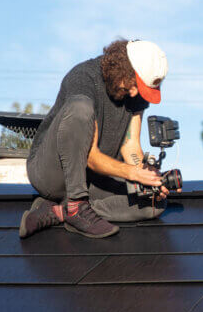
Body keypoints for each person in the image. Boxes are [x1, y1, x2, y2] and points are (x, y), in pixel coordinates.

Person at [18, 39, 177, 239]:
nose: (135, 93)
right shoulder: (83, 78)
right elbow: (91, 157)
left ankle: (61, 212)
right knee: (80, 108)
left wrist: (147, 178)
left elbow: (131, 146)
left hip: (92, 181)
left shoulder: (135, 94)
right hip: (52, 174)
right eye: (135, 85)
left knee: (154, 203)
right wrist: (132, 173)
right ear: (123, 68)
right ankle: (75, 205)